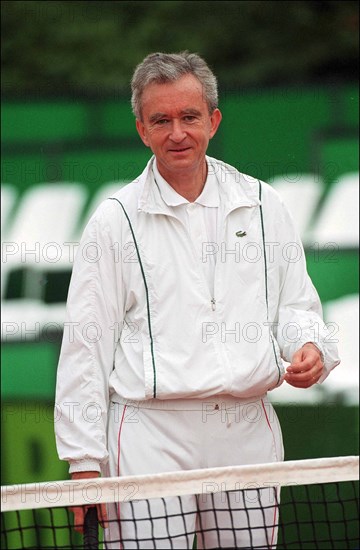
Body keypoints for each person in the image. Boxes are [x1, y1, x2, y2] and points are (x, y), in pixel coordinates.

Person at [55, 51, 340, 548]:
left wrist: (312, 347)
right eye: (161, 120)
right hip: (149, 439)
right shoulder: (114, 220)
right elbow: (86, 345)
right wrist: (84, 464)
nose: (177, 133)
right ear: (142, 129)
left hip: (248, 432)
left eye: (189, 117)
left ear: (213, 119)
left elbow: (296, 308)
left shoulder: (263, 204)